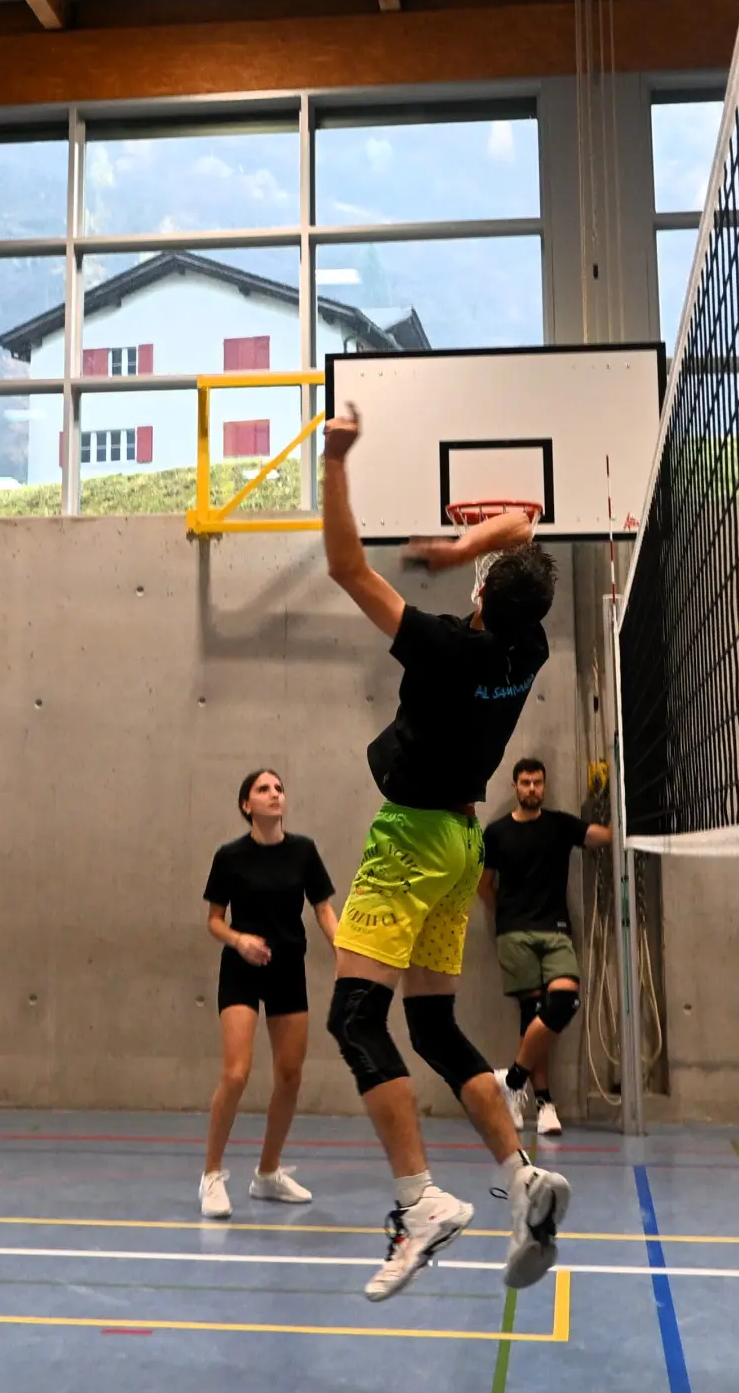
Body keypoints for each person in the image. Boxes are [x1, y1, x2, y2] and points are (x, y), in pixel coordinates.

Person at [316, 402, 572, 1303]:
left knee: (354, 1020)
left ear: (480, 598)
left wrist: (336, 459)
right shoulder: (527, 645)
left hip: (414, 838)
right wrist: (472, 551)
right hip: (463, 843)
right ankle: (522, 1172)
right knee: (431, 1026)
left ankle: (421, 1202)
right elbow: (528, 522)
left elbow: (345, 565)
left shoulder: (442, 649)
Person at [200, 768, 341, 1218]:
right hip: (241, 970)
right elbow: (214, 920)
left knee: (290, 1075)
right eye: (263, 789)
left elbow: (324, 909)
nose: (274, 794)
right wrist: (239, 940)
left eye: (279, 787)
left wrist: (343, 950)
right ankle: (211, 1175)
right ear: (247, 805)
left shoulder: (304, 851)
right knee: (237, 1073)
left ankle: (267, 1174)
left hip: (287, 970)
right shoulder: (229, 856)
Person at [480, 756, 613, 1139]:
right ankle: (544, 1104)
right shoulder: (497, 832)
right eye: (525, 783)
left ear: (545, 786)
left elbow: (604, 836)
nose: (532, 789)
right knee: (530, 1014)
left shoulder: (559, 825)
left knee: (564, 1002)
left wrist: (613, 797)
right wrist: (506, 916)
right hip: (514, 932)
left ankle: (514, 1079)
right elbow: (483, 885)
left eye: (538, 782)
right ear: (515, 787)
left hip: (555, 931)